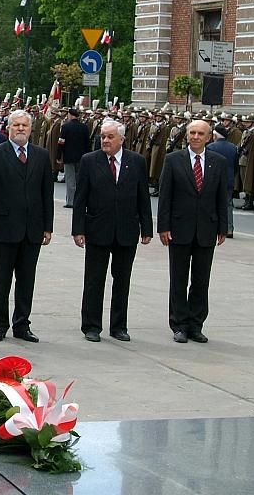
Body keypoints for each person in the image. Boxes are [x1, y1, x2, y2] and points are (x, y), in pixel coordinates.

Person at [72, 119, 153, 342]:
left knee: (122, 280)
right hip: (98, 229)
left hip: (126, 230)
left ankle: (118, 326)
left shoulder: (136, 162)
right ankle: (91, 326)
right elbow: (80, 198)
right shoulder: (89, 161)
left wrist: (147, 228)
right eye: (102, 137)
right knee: (94, 280)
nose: (105, 141)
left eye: (110, 137)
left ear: (122, 139)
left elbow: (142, 197)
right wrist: (78, 229)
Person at [0, 110, 53, 343]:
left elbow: (46, 194)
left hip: (32, 229)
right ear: (8, 128)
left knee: (27, 279)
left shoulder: (41, 156)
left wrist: (47, 227)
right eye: (16, 125)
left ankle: (22, 324)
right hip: (3, 228)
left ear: (31, 129)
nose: (21, 129)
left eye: (24, 125)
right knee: (3, 279)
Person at [158, 120, 228, 344]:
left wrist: (222, 228)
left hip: (206, 229)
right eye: (192, 133)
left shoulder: (218, 162)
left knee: (201, 280)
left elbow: (222, 198)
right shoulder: (173, 160)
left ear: (209, 137)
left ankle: (196, 325)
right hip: (179, 228)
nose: (196, 137)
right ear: (187, 135)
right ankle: (179, 324)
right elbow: (165, 196)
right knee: (178, 278)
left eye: (200, 133)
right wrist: (163, 227)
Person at [208, 124, 238, 237]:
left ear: (215, 135)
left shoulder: (211, 147)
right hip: (228, 180)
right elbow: (235, 165)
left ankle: (214, 227)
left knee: (212, 204)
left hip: (214, 180)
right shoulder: (233, 147)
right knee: (228, 205)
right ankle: (229, 229)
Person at [57, 108, 90, 208]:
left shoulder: (66, 127)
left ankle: (70, 201)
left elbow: (61, 142)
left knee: (70, 179)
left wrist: (59, 156)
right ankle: (79, 201)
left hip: (69, 156)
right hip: (82, 157)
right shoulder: (84, 127)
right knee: (79, 179)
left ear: (70, 115)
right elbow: (87, 143)